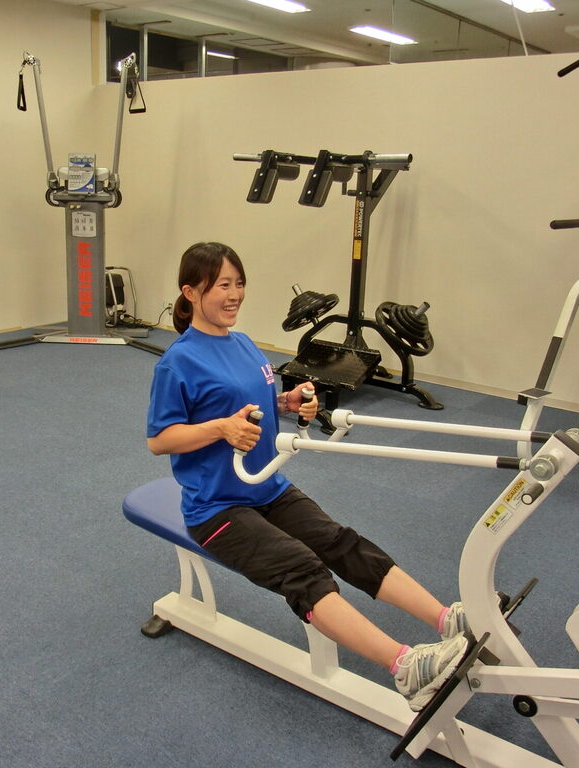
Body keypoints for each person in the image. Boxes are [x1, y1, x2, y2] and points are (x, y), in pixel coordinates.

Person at [146, 242, 469, 711]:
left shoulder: (243, 343)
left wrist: (287, 402)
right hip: (216, 508)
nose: (234, 295)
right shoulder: (178, 361)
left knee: (341, 542)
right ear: (191, 292)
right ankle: (406, 668)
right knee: (302, 568)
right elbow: (160, 439)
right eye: (222, 286)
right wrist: (220, 428)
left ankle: (447, 620)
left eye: (239, 284)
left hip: (266, 485)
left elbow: (254, 405)